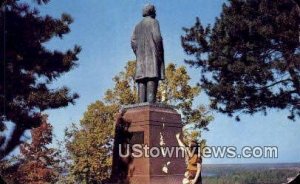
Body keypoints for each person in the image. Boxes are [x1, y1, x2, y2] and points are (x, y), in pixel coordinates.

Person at [131, 4, 165, 103]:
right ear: (152, 11)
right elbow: (157, 37)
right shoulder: (154, 22)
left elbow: (133, 42)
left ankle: (141, 104)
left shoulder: (137, 26)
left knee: (141, 80)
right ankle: (151, 104)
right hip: (152, 56)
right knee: (151, 77)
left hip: (140, 59)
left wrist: (138, 53)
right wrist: (159, 52)